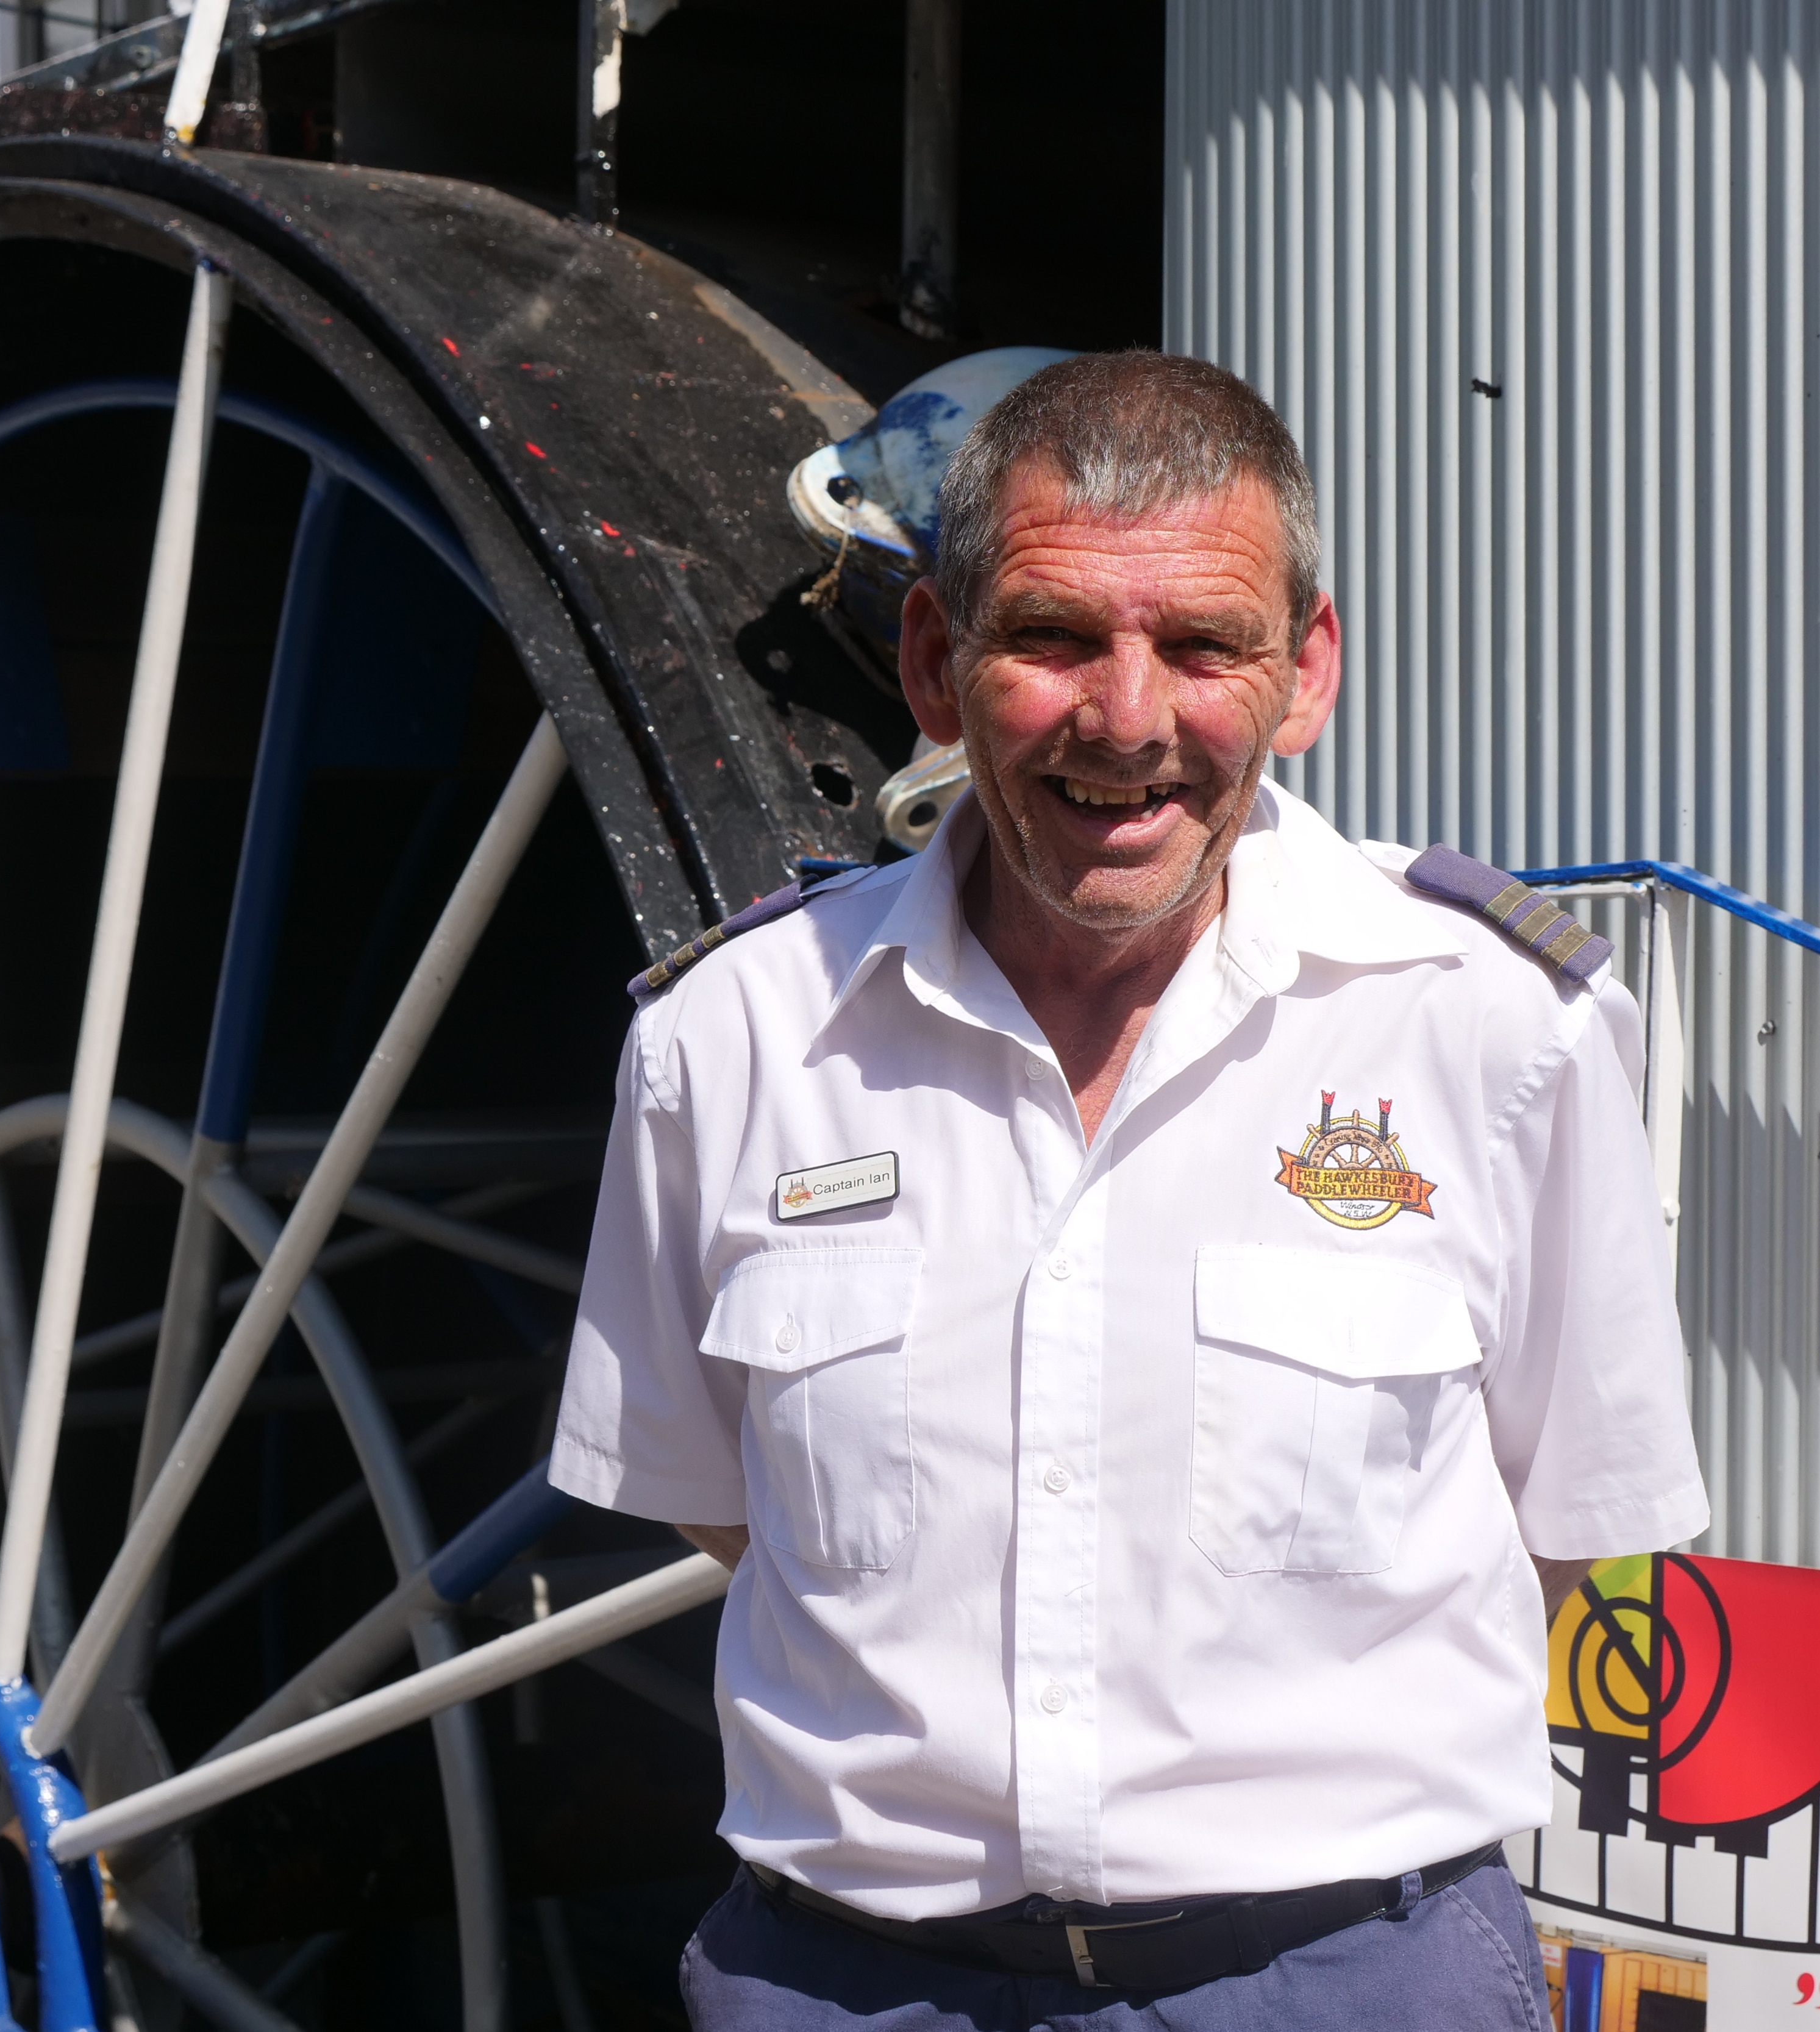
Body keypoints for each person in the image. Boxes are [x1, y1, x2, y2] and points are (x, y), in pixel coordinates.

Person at [551, 351, 1710, 2031]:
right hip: (853, 1983)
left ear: (1307, 671)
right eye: (1052, 637)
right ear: (935, 662)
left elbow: (1571, 1523)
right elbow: (715, 1498)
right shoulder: (733, 1039)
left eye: (1203, 643)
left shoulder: (1499, 1027)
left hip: (1341, 1983)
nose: (1129, 716)